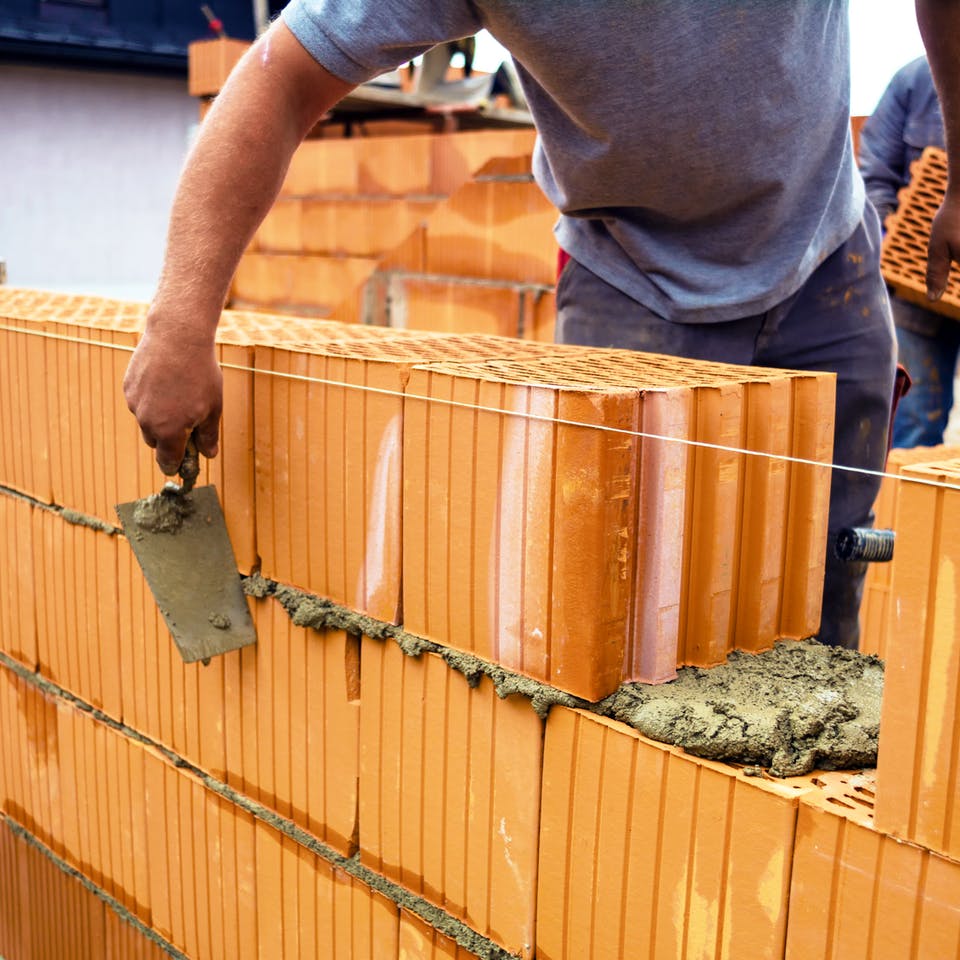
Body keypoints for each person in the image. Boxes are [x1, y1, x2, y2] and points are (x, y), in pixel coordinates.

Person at [123, 1, 960, 652]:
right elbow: (277, 80)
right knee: (633, 612)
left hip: (827, 259)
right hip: (633, 279)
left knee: (828, 568)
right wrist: (181, 318)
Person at [859, 55, 957, 449]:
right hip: (917, 291)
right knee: (913, 426)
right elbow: (875, 176)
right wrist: (898, 248)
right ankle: (910, 509)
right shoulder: (916, 80)